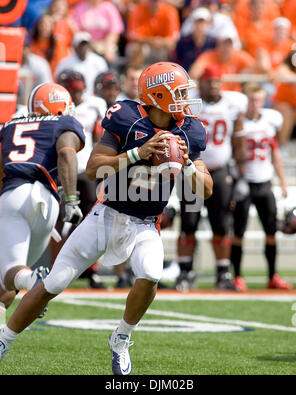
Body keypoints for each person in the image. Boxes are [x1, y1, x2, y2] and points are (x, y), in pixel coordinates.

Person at [0, 61, 213, 375]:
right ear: (158, 95)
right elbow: (93, 168)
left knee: (151, 274)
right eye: (178, 92)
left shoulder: (188, 131)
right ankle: (4, 340)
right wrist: (138, 153)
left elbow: (205, 189)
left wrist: (188, 166)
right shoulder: (127, 118)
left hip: (145, 222)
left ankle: (121, 338)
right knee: (54, 282)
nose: (184, 98)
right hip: (106, 214)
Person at [0, 82, 85, 327]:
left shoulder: (9, 126)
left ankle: (36, 284)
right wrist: (71, 200)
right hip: (48, 203)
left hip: (15, 196)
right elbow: (67, 153)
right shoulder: (63, 123)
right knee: (13, 276)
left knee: (13, 273)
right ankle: (35, 287)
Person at [175, 65, 248, 290]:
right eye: (209, 81)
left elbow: (238, 141)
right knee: (188, 224)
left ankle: (222, 272)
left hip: (219, 171)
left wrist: (241, 176)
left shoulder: (233, 104)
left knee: (221, 225)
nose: (214, 86)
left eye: (217, 81)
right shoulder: (190, 103)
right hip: (191, 169)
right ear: (202, 83)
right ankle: (185, 272)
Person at [230, 83, 292, 291]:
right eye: (251, 99)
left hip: (264, 181)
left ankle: (272, 275)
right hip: (244, 181)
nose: (255, 104)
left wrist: (282, 180)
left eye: (259, 100)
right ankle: (237, 275)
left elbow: (274, 152)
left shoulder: (269, 121)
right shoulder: (239, 123)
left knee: (271, 231)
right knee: (238, 232)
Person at [50, 70, 107, 288]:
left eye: (79, 90)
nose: (77, 95)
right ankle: (55, 268)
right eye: (72, 90)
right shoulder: (55, 105)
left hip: (86, 170)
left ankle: (91, 270)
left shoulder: (95, 105)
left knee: (93, 220)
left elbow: (100, 136)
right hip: (61, 171)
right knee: (57, 221)